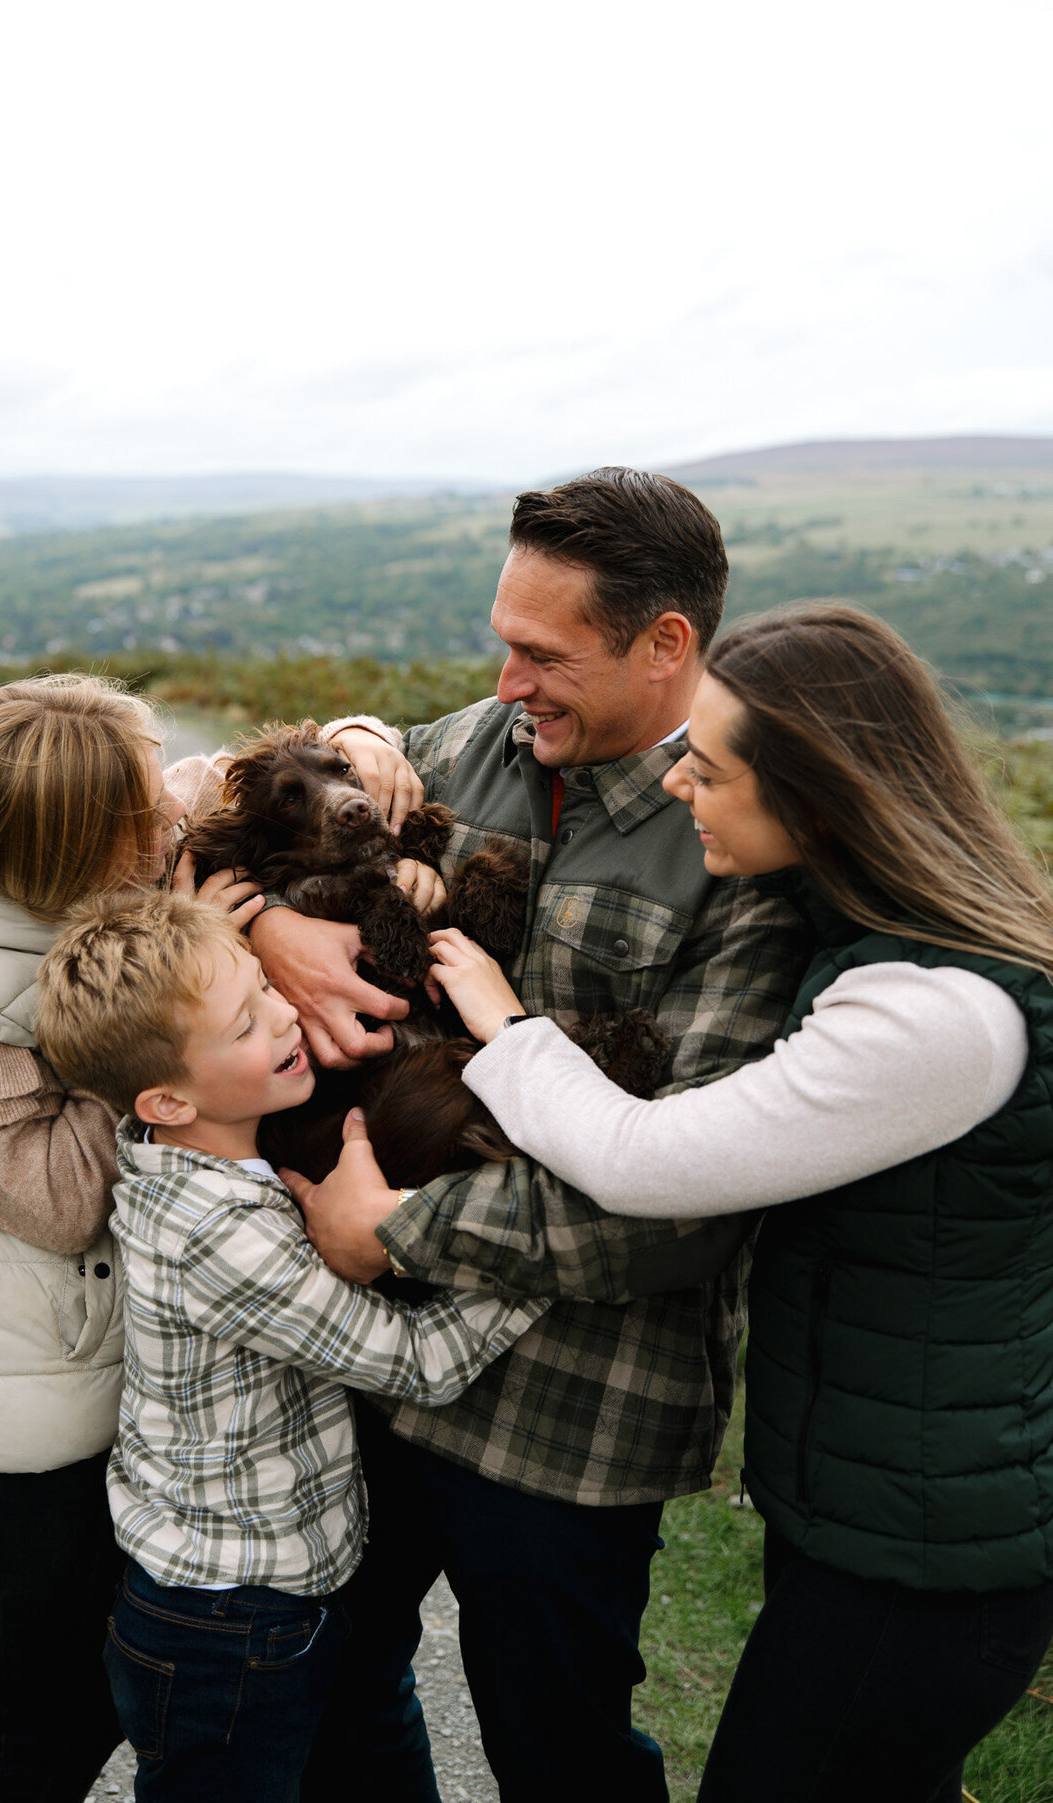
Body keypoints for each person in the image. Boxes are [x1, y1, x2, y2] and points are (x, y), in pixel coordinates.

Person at [413, 604, 1053, 1803]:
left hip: (923, 1566)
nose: (677, 790)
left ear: (816, 803)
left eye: (704, 770)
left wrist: (503, 1023)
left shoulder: (928, 1015)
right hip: (884, 1521)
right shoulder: (884, 936)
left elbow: (644, 1165)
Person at [251, 467, 810, 1800]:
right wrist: (263, 914)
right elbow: (229, 832)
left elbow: (684, 1201)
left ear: (665, 643)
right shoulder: (463, 749)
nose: (508, 679)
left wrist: (390, 1230)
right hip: (363, 1373)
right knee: (334, 1695)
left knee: (555, 1747)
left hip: (573, 1409)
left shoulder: (744, 848)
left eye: (544, 651)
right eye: (503, 637)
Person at [33, 888, 546, 1803]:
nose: (282, 1018)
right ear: (168, 1096)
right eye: (244, 1025)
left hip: (248, 1602)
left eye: (266, 989)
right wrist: (539, 1260)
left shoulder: (183, 1156)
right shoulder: (221, 1235)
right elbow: (420, 1362)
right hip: (229, 1626)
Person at [0, 676, 260, 1803]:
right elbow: (66, 1196)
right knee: (20, 1732)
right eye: (144, 818)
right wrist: (181, 1007)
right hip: (13, 1439)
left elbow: (197, 788)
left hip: (78, 1384)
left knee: (84, 1704)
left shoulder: (28, 873)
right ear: (76, 851)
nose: (171, 821)